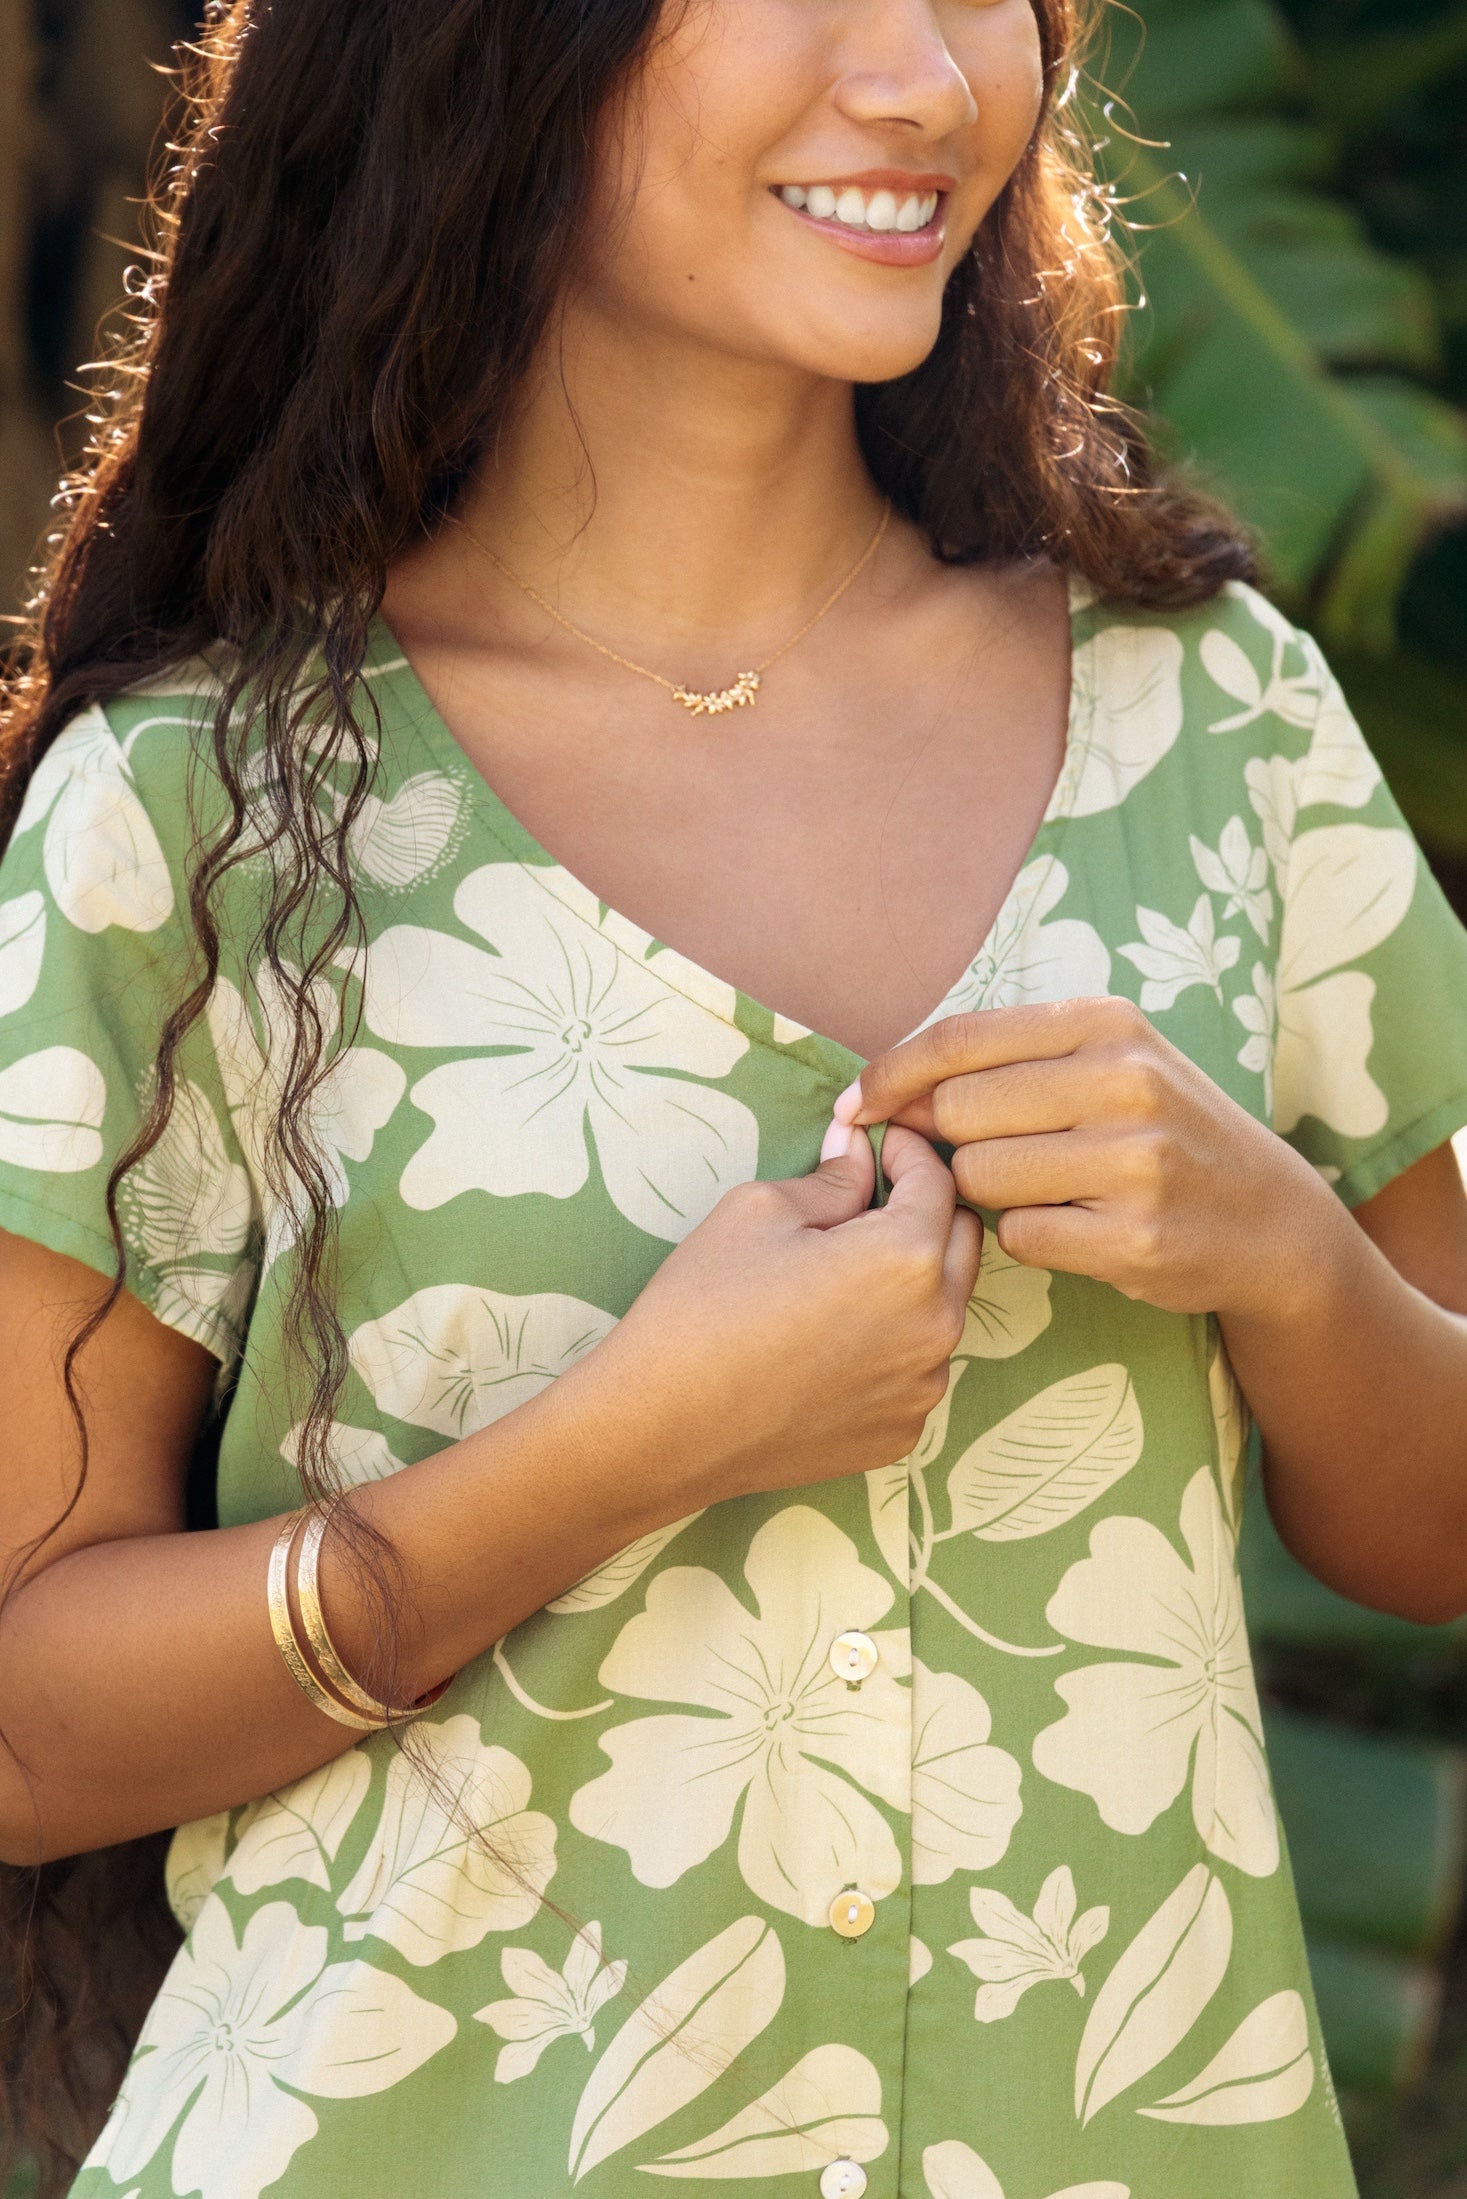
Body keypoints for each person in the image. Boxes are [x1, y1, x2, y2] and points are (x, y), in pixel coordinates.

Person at [3, 0, 1467, 2193]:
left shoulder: (1214, 718)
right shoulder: (200, 807)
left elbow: (1427, 1524)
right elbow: (24, 1723)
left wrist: (1272, 1248)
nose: (923, 81)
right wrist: (624, 1445)